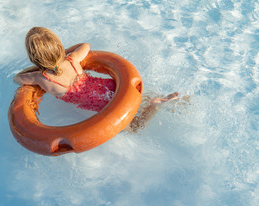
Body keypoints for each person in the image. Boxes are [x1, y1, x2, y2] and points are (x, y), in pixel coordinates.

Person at [14, 27, 178, 132]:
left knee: (135, 126)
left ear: (34, 58)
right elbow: (86, 45)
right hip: (112, 86)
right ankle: (158, 100)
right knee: (135, 99)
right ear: (58, 46)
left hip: (104, 105)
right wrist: (65, 53)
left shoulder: (41, 79)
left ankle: (155, 106)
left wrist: (36, 69)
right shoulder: (72, 60)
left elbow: (18, 78)